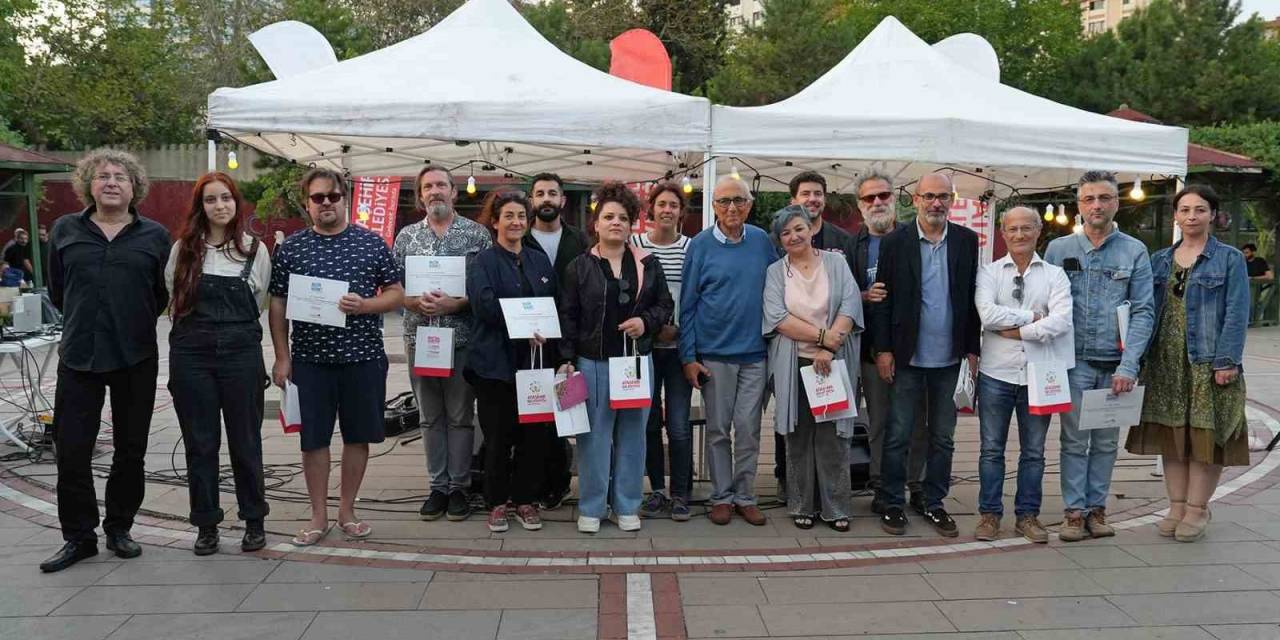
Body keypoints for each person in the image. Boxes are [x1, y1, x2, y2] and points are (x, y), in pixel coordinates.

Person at [40, 149, 171, 573]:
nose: (112, 182)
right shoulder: (65, 230)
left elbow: (161, 294)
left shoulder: (155, 236)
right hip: (80, 355)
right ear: (88, 185)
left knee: (130, 450)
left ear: (134, 188)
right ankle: (79, 537)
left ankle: (119, 528)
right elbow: (58, 290)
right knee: (72, 451)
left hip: (136, 356)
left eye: (120, 176)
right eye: (103, 176)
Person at [268, 167, 404, 546]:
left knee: (358, 437)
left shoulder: (371, 243)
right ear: (307, 203)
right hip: (310, 361)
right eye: (318, 197)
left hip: (363, 358)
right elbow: (277, 303)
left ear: (346, 199)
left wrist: (366, 305)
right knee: (313, 439)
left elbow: (397, 293)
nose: (326, 202)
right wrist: (282, 356)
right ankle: (318, 516)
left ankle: (347, 511)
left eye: (333, 196)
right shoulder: (292, 248)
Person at [1127, 185, 1250, 542]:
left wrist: (1227, 360)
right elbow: (1143, 310)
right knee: (1172, 438)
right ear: (1175, 216)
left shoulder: (1229, 258)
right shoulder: (1159, 260)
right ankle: (1176, 506)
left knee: (1205, 438)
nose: (1191, 216)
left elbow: (1237, 313)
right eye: (1184, 210)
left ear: (1213, 215)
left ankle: (1197, 509)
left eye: (1199, 209)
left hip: (1207, 362)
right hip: (1165, 362)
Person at [165, 172, 272, 555]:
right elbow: (173, 296)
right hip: (191, 354)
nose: (219, 205)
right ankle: (206, 524)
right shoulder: (183, 249)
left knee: (246, 441)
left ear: (236, 202)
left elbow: (260, 299)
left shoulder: (254, 249)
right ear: (201, 206)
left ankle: (254, 520)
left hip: (241, 353)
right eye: (210, 199)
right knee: (200, 442)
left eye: (225, 197)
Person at [1045, 170, 1154, 542]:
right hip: (1073, 362)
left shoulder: (1134, 250)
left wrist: (1129, 365)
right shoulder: (1058, 250)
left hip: (1115, 365)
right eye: (1089, 199)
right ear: (1079, 205)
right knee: (1074, 440)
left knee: (1106, 442)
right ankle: (1074, 512)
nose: (1097, 205)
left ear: (1116, 203)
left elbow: (1144, 311)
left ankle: (1097, 509)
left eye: (1104, 198)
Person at [871, 172, 980, 538]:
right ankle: (892, 502)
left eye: (943, 196)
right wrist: (883, 349)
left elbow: (971, 298)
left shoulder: (966, 240)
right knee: (898, 434)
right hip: (907, 357)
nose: (936, 203)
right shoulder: (895, 242)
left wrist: (972, 350)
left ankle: (933, 502)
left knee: (943, 437)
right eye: (929, 196)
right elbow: (882, 301)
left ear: (952, 200)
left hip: (950, 359)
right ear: (915, 199)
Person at [559, 183, 673, 533]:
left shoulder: (648, 264)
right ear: (596, 224)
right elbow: (568, 316)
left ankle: (627, 505)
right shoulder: (579, 267)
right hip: (592, 363)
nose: (616, 223)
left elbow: (665, 305)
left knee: (634, 436)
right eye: (608, 217)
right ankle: (592, 507)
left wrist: (646, 322)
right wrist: (567, 358)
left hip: (636, 364)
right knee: (594, 439)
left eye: (623, 218)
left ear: (631, 224)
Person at [394, 165, 492, 523]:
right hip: (419, 338)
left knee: (460, 416)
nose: (435, 191)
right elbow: (393, 287)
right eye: (428, 186)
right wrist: (412, 302)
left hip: (462, 338)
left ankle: (459, 488)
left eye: (441, 185)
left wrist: (457, 304)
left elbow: (486, 288)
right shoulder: (406, 237)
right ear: (420, 195)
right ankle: (437, 487)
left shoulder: (477, 235)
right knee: (429, 416)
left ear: (454, 191)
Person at [681, 176, 778, 526]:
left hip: (755, 353)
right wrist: (688, 357)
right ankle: (721, 496)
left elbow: (780, 286)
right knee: (719, 430)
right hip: (715, 355)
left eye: (738, 200)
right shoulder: (700, 246)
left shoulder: (762, 241)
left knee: (748, 430)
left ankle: (745, 496)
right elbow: (687, 305)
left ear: (749, 205)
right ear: (713, 207)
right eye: (724, 201)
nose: (732, 207)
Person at [973, 206, 1073, 543]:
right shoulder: (989, 272)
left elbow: (1061, 321)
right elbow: (987, 316)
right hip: (996, 373)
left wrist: (1018, 331)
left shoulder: (1055, 275)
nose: (1019, 235)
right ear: (1003, 233)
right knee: (991, 449)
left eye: (1026, 228)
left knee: (1034, 451)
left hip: (1040, 374)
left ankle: (1027, 516)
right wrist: (1033, 317)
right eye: (1012, 229)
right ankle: (989, 514)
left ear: (1038, 231)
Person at [763, 205, 862, 531]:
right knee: (798, 435)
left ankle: (836, 508)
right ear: (779, 240)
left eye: (798, 229)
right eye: (785, 233)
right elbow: (777, 317)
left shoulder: (836, 262)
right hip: (793, 362)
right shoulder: (775, 272)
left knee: (833, 437)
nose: (793, 236)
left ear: (811, 229)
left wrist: (829, 347)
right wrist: (821, 337)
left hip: (833, 361)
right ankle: (801, 504)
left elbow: (850, 305)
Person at [467, 190, 559, 533]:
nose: (516, 222)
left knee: (533, 436)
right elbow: (485, 306)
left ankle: (525, 500)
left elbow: (553, 304)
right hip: (494, 366)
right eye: (508, 216)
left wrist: (547, 335)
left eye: (521, 216)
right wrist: (524, 328)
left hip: (535, 364)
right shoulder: (483, 262)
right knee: (498, 437)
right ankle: (496, 502)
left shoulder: (539, 261)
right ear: (495, 222)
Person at [851, 173, 928, 515]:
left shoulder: (915, 238)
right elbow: (838, 294)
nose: (878, 202)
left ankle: (917, 484)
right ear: (860, 205)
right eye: (870, 198)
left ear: (895, 198)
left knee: (916, 421)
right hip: (869, 348)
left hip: (913, 348)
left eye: (883, 195)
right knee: (879, 421)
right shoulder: (852, 245)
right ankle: (882, 485)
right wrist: (863, 296)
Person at [525, 172, 588, 510]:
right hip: (530, 342)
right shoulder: (520, 239)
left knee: (568, 410)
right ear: (532, 200)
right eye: (540, 193)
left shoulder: (580, 240)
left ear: (563, 200)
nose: (546, 199)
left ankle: (562, 481)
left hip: (571, 341)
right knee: (536, 413)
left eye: (552, 193)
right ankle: (536, 482)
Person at [632, 183, 694, 521]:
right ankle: (656, 490)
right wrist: (653, 327)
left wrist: (681, 329)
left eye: (673, 205)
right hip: (645, 348)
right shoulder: (637, 245)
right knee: (649, 422)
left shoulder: (691, 247)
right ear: (651, 210)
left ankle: (681, 493)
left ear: (681, 212)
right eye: (661, 204)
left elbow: (697, 296)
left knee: (679, 424)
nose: (667, 210)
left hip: (680, 348)